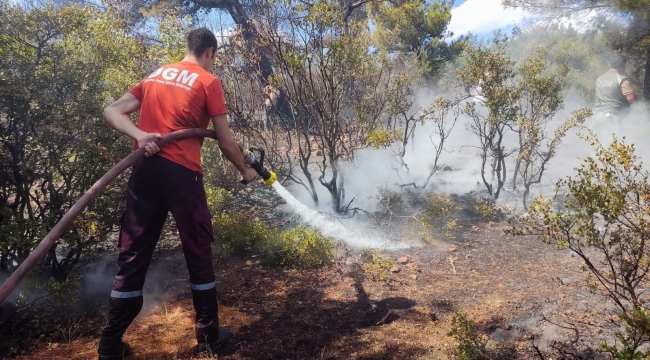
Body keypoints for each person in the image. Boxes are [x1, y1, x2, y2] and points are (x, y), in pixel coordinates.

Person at [98, 28, 258, 360]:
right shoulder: (207, 81)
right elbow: (226, 141)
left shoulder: (156, 75)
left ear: (187, 48)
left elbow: (112, 111)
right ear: (210, 52)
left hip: (145, 170)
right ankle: (209, 336)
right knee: (198, 252)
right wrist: (245, 170)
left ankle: (109, 343)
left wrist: (140, 135)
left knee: (132, 255)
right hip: (182, 174)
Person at [592, 54, 637, 144]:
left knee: (597, 146)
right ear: (623, 66)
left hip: (596, 115)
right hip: (610, 116)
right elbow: (631, 98)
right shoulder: (621, 79)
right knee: (611, 147)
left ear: (609, 65)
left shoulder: (599, 79)